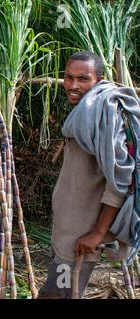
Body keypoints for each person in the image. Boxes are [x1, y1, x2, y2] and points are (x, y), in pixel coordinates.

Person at [38, 51, 140, 299]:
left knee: (57, 294)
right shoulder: (88, 111)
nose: (73, 86)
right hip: (71, 230)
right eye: (68, 78)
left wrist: (97, 233)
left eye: (83, 79)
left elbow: (121, 180)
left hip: (82, 235)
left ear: (99, 79)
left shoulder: (105, 112)